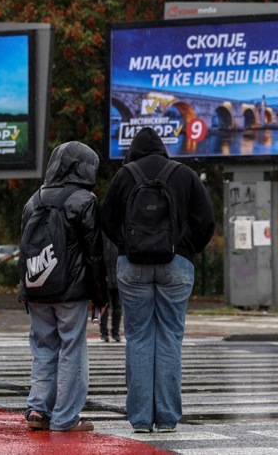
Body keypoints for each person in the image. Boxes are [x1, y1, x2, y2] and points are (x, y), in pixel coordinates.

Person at [100, 127, 215, 433]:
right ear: (163, 149)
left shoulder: (125, 175)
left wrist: (128, 245)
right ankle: (166, 418)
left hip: (133, 266)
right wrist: (184, 248)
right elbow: (206, 221)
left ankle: (139, 419)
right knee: (169, 338)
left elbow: (107, 220)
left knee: (138, 337)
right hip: (176, 265)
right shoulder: (184, 174)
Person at [19, 141, 107, 433]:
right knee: (72, 348)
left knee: (43, 347)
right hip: (72, 291)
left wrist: (25, 289)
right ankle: (66, 417)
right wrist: (100, 295)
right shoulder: (84, 200)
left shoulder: (33, 200)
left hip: (37, 287)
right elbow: (94, 254)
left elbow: (25, 248)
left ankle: (37, 409)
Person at [99, 236, 123, 343]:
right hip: (105, 276)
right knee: (104, 306)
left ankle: (115, 332)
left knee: (117, 306)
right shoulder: (102, 235)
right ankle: (104, 333)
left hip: (117, 276)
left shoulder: (117, 235)